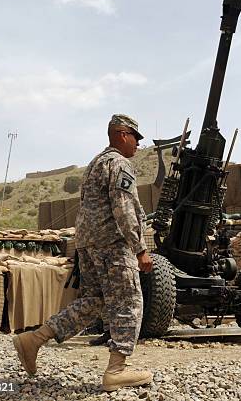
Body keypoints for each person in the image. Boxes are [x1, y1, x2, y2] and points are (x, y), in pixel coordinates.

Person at [13, 114, 153, 392]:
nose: (137, 145)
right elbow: (123, 208)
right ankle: (116, 370)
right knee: (129, 301)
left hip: (87, 245)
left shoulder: (95, 164)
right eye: (135, 138)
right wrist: (140, 249)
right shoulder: (119, 163)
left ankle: (35, 339)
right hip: (112, 245)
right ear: (121, 135)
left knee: (94, 301)